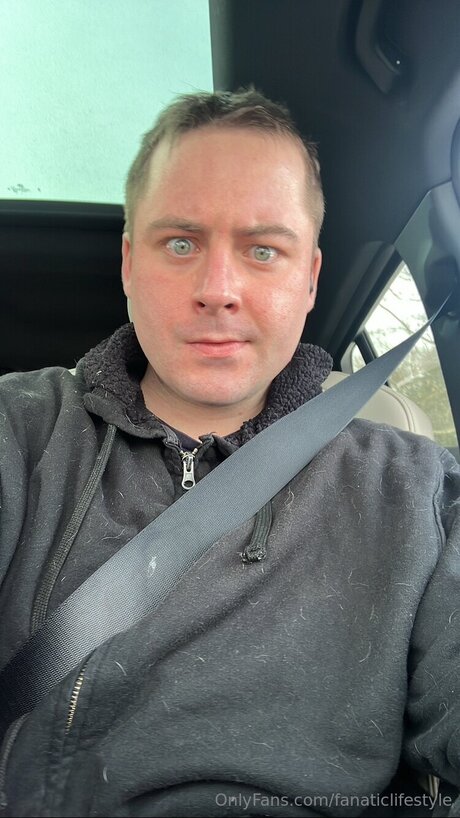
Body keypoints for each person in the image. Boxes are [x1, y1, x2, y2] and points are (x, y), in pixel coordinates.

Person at [0, 88, 459, 818]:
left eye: (263, 250)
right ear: (129, 264)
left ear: (309, 279)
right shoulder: (19, 431)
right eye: (181, 243)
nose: (218, 290)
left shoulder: (420, 494)